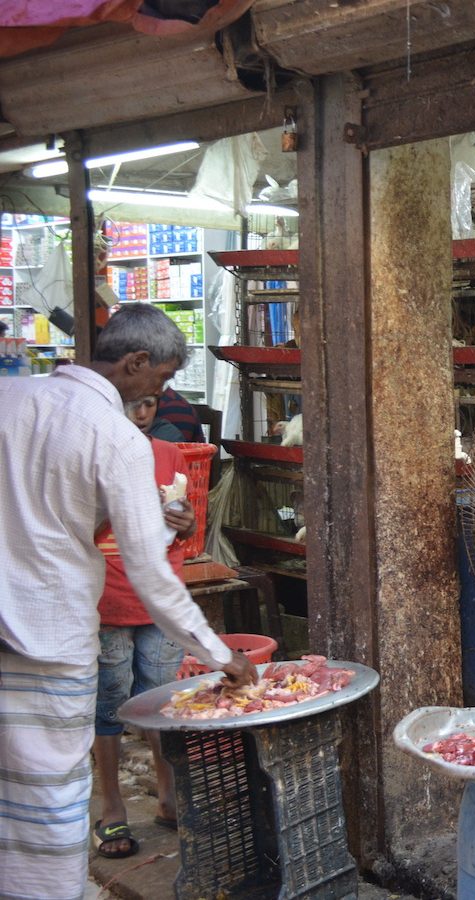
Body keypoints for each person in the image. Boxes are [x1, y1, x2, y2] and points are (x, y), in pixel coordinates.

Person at [0, 303, 256, 899]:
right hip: (48, 630)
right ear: (135, 362)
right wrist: (221, 656)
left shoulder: (13, 398)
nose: (160, 394)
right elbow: (152, 574)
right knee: (51, 787)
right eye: (161, 379)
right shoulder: (114, 435)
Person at [88, 395, 196, 858]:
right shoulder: (89, 458)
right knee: (110, 703)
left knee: (162, 700)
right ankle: (113, 808)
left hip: (159, 599)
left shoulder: (169, 455)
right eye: (130, 403)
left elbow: (186, 526)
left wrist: (187, 521)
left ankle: (169, 797)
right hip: (108, 600)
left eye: (148, 403)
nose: (140, 413)